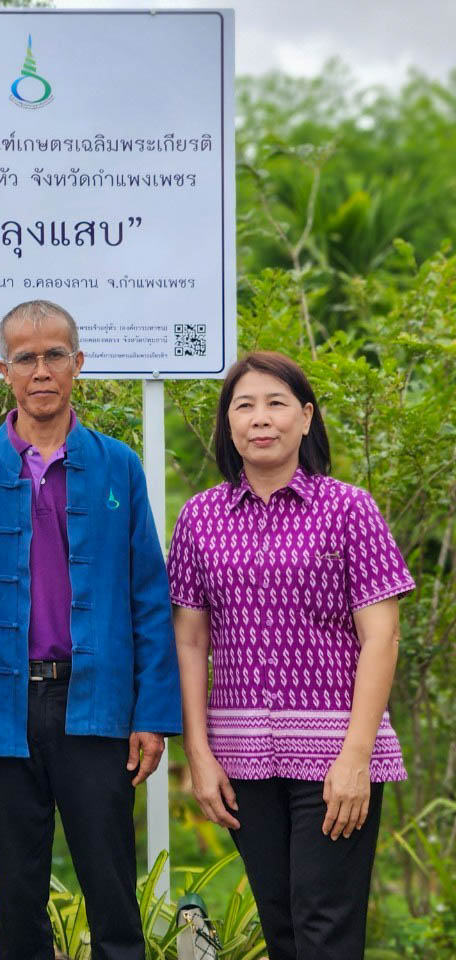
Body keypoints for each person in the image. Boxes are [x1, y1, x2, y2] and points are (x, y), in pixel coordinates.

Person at [0, 300, 181, 960]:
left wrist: (151, 712)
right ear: (3, 369)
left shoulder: (118, 466)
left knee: (112, 885)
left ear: (78, 364)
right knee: (18, 894)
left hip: (94, 708)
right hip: (1, 713)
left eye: (55, 355)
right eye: (26, 358)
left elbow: (149, 597)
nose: (42, 370)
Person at [167, 351, 413, 960]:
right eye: (244, 406)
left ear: (306, 418)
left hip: (336, 756)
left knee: (324, 929)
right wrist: (198, 753)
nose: (261, 419)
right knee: (280, 928)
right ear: (229, 424)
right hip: (243, 759)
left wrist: (356, 758)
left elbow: (382, 637)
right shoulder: (200, 518)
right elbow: (191, 639)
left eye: (276, 404)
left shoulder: (349, 508)